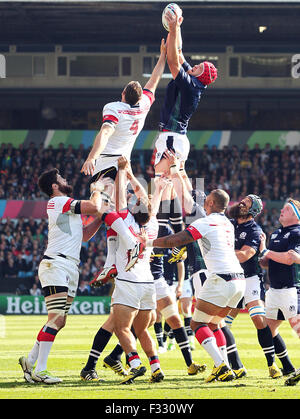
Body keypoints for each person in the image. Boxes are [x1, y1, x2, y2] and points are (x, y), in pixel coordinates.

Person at [80, 38, 167, 279]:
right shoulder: (143, 107)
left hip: (107, 162)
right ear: (139, 98)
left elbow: (105, 132)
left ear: (122, 94)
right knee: (113, 211)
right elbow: (155, 80)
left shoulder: (114, 108)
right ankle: (111, 261)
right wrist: (162, 57)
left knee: (102, 208)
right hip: (123, 165)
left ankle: (129, 243)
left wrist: (91, 156)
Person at [143, 189, 245, 383]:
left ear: (212, 204)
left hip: (221, 278)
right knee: (214, 324)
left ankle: (221, 365)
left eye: (207, 201)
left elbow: (177, 239)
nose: (204, 204)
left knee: (196, 324)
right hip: (239, 280)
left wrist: (148, 243)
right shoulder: (228, 223)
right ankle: (223, 366)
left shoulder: (205, 222)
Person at [18, 168, 108, 384]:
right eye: (61, 178)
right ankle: (40, 369)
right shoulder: (59, 201)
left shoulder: (65, 207)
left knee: (61, 320)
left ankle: (30, 361)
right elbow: (94, 206)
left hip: (67, 265)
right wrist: (97, 189)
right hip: (56, 263)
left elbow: (84, 236)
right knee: (56, 317)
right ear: (54, 186)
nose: (65, 179)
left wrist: (101, 220)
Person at [81, 158, 166, 384]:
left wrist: (121, 171)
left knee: (121, 328)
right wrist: (130, 174)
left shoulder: (124, 218)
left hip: (128, 280)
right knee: (142, 329)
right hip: (149, 282)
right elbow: (146, 199)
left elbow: (119, 198)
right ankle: (155, 366)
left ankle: (135, 363)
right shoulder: (153, 223)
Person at [153, 9, 217, 236]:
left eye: (198, 67)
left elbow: (172, 60)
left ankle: (183, 221)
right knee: (165, 180)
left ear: (201, 75)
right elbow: (178, 53)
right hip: (175, 136)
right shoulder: (196, 82)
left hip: (172, 135)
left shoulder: (191, 85)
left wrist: (173, 29)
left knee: (162, 179)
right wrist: (176, 27)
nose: (194, 65)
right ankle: (182, 220)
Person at [226, 194, 281, 379]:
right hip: (231, 278)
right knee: (222, 324)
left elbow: (244, 255)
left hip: (250, 279)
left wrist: (223, 252)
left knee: (258, 318)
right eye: (243, 200)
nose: (242, 202)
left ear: (253, 210)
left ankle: (271, 364)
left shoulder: (254, 230)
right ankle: (230, 365)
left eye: (247, 202)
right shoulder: (228, 223)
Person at [259, 198, 300, 385]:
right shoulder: (275, 234)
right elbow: (271, 261)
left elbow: (290, 259)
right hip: (274, 289)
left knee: (297, 326)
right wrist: (262, 255)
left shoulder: (297, 233)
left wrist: (267, 252)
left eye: (286, 209)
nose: (281, 211)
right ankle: (288, 366)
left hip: (292, 287)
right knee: (268, 329)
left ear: (296, 215)